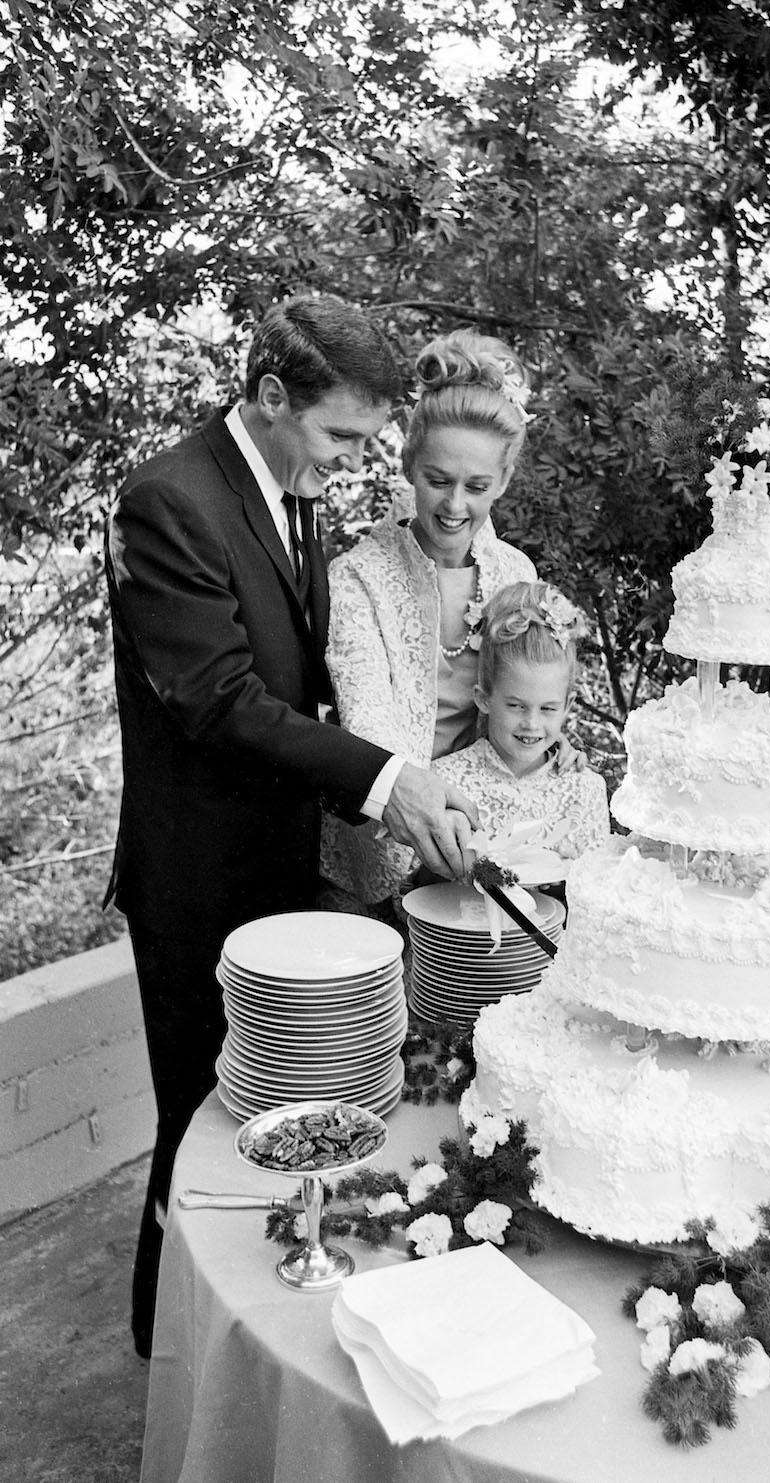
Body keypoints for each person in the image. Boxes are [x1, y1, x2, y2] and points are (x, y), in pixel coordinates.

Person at [104, 295, 479, 1357]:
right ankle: (168, 1347)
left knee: (283, 1123)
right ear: (271, 395)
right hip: (198, 881)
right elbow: (221, 700)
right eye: (341, 435)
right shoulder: (167, 500)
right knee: (199, 1123)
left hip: (285, 867)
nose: (354, 461)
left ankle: (262, 1338)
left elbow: (309, 677)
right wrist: (387, 780)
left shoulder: (289, 490)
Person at [320, 329, 539, 908]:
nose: (454, 506)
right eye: (438, 481)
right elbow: (368, 719)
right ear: (409, 465)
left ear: (503, 482)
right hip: (379, 841)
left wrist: (549, 741)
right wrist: (424, 810)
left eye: (477, 487)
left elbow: (531, 690)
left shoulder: (516, 573)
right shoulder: (358, 577)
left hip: (485, 836)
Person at [431, 580, 610, 862]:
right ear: (483, 699)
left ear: (567, 706)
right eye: (516, 706)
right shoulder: (445, 782)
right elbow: (413, 883)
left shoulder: (584, 789)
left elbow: (598, 884)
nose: (532, 723)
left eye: (548, 709)